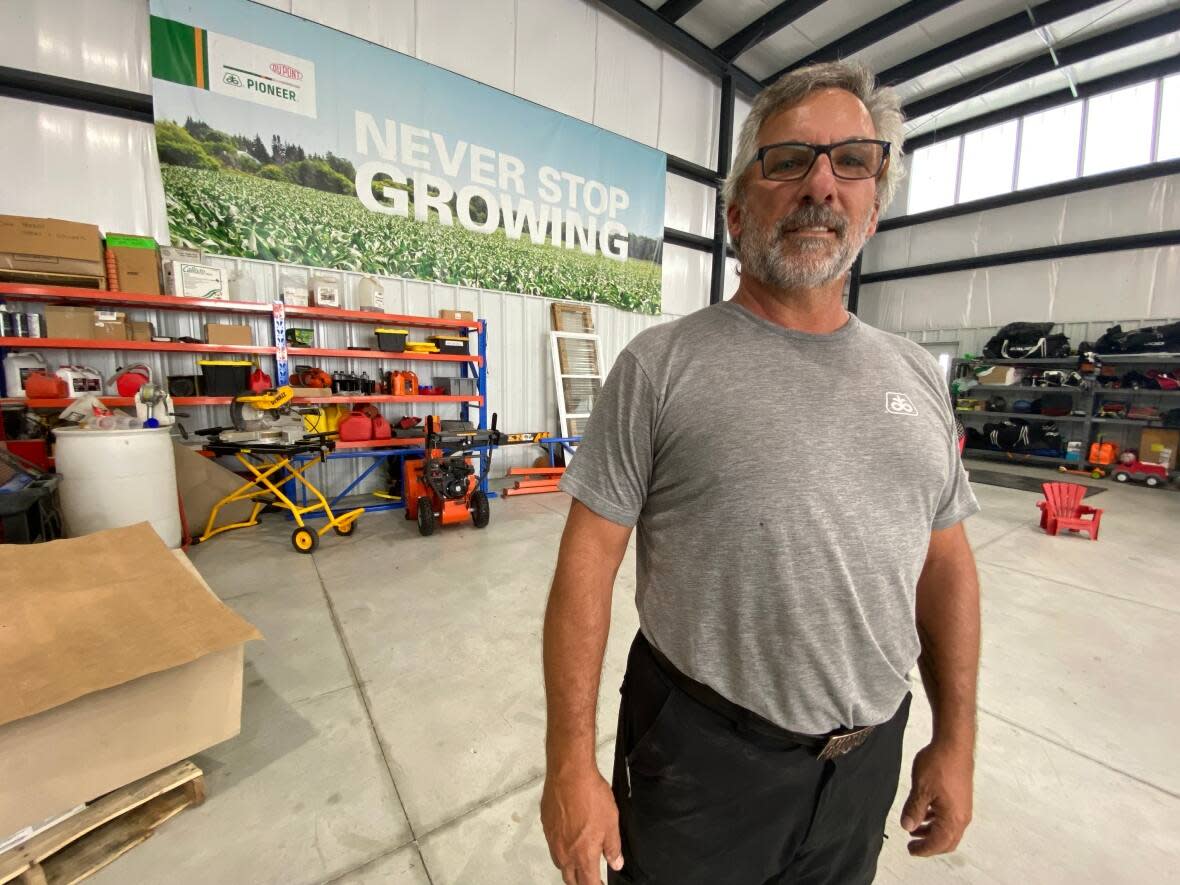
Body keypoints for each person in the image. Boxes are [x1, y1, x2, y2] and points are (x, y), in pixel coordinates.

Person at [540, 60, 980, 885]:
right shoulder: (661, 366)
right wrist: (570, 763)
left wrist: (954, 740)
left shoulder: (918, 376)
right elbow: (586, 566)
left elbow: (947, 563)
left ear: (874, 208)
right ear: (739, 210)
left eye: (852, 160)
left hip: (863, 765)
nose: (821, 182)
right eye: (789, 160)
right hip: (703, 763)